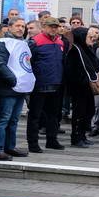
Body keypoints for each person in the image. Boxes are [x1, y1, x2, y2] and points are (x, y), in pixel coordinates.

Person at [0, 17, 35, 160]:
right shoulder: (1, 43)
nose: (20, 28)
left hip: (19, 88)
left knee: (14, 120)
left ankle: (10, 147)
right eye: (17, 25)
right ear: (9, 27)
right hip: (7, 88)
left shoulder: (22, 44)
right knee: (3, 119)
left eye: (23, 26)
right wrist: (14, 80)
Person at [26, 17, 67, 153]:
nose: (54, 29)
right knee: (35, 116)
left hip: (56, 84)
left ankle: (52, 140)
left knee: (54, 115)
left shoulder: (60, 42)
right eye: (51, 26)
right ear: (44, 27)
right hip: (40, 84)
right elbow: (28, 62)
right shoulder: (35, 42)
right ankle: (33, 143)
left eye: (55, 26)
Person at [66, 27, 99, 148]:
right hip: (79, 87)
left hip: (88, 87)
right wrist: (84, 80)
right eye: (89, 37)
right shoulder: (74, 50)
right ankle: (76, 138)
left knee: (88, 111)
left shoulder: (86, 49)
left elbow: (95, 65)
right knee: (79, 113)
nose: (92, 39)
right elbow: (72, 71)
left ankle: (82, 135)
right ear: (82, 37)